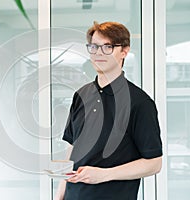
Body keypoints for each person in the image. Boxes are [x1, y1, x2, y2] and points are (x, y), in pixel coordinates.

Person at [55, 21, 163, 200]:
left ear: (124, 51)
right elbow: (72, 150)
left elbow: (154, 163)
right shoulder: (80, 95)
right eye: (94, 47)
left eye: (107, 47)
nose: (98, 53)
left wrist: (104, 175)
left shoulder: (140, 102)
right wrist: (59, 195)